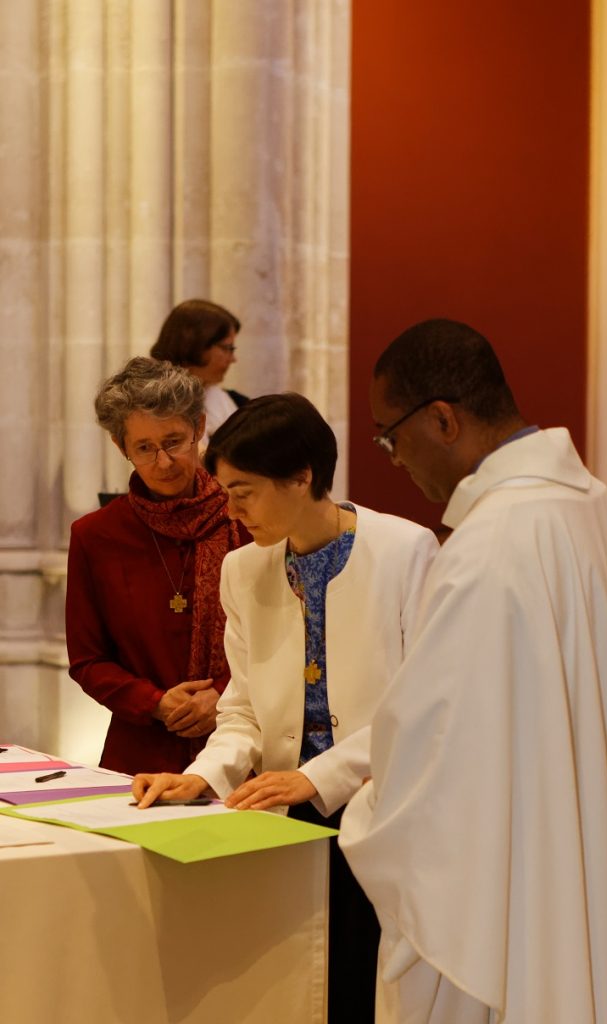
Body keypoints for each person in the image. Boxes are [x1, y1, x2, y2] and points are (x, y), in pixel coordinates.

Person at [339, 319, 607, 1024]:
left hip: (535, 887)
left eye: (388, 435)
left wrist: (366, 810)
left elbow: (434, 773)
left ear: (442, 419)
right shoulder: (596, 510)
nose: (394, 459)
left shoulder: (489, 548)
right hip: (605, 860)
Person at [132, 393, 439, 1024]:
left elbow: (421, 703)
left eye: (244, 491)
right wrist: (203, 778)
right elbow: (242, 707)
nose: (232, 509)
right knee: (288, 985)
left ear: (302, 476)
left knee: (365, 983)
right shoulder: (245, 569)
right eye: (226, 491)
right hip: (283, 812)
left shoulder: (406, 551)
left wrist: (315, 776)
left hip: (386, 805)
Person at [66, 357, 250, 776]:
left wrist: (223, 695)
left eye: (174, 441)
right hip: (141, 756)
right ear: (121, 448)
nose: (163, 462)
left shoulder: (246, 517)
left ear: (199, 429)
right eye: (144, 448)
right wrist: (156, 703)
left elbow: (285, 639)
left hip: (245, 750)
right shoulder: (96, 535)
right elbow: (88, 660)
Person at [151, 298, 249, 445]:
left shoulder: (231, 400)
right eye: (227, 348)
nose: (233, 359)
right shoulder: (155, 405)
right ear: (196, 345)